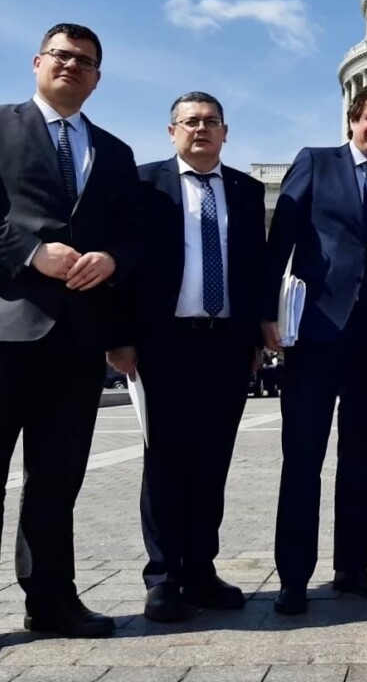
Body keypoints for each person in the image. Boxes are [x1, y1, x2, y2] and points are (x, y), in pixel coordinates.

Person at [0, 24, 141, 661]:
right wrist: (33, 253)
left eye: (86, 62)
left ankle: (51, 596)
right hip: (1, 328)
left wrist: (110, 257)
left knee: (57, 479)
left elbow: (134, 235)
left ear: (98, 77)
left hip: (77, 338)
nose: (73, 67)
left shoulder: (113, 150)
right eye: (63, 56)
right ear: (38, 62)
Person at [111, 93, 266, 622]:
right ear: (171, 130)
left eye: (211, 123)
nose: (201, 130)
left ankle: (200, 569)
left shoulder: (246, 190)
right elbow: (123, 265)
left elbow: (255, 269)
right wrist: (121, 336)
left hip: (225, 341)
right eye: (190, 122)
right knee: (163, 460)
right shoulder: (140, 184)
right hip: (163, 340)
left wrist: (253, 339)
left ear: (226, 133)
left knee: (211, 463)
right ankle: (163, 577)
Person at [262, 84, 367, 616]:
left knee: (360, 462)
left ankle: (351, 567)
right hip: (317, 333)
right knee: (303, 459)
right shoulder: (316, 163)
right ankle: (294, 577)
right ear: (352, 119)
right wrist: (266, 316)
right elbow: (279, 240)